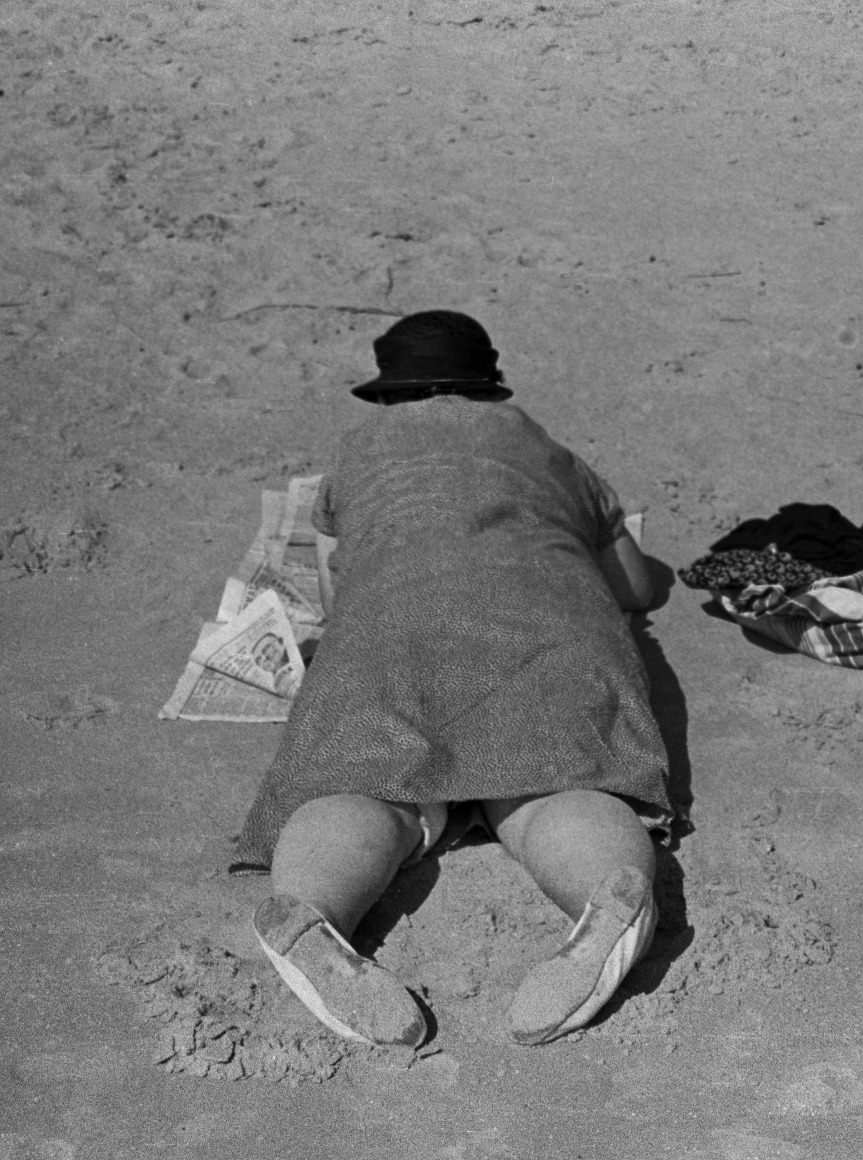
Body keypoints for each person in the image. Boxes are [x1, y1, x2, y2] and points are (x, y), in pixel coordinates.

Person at [230, 310, 672, 1048]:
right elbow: (634, 588)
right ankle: (606, 899)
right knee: (554, 791)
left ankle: (309, 907)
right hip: (547, 641)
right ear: (487, 385)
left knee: (361, 790)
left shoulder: (357, 452)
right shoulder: (547, 449)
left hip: (388, 635)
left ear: (388, 393)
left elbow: (342, 577)